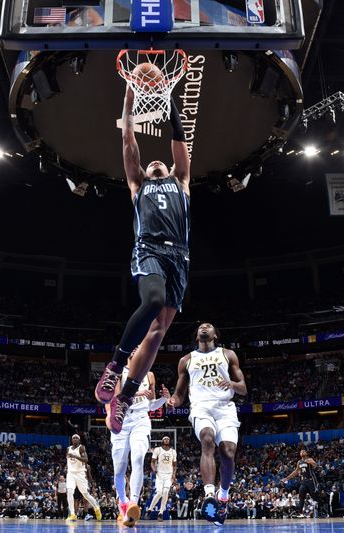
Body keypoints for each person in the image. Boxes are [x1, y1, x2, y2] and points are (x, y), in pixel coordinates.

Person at [94, 85, 191, 435]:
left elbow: (179, 138)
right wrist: (130, 100)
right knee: (153, 300)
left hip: (179, 258)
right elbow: (128, 141)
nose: (155, 162)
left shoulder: (181, 181)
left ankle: (125, 397)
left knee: (158, 333)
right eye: (151, 163)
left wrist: (170, 101)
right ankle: (115, 366)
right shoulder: (138, 184)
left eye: (159, 161)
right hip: (149, 248)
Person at [168, 323, 247, 525]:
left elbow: (243, 388)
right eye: (201, 326)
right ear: (197, 336)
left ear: (215, 334)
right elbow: (179, 394)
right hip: (201, 407)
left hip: (225, 408)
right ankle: (209, 494)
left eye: (209, 326)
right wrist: (172, 401)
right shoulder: (186, 360)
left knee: (228, 452)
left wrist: (231, 384)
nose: (204, 327)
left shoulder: (228, 355)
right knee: (207, 438)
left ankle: (224, 495)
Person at [107, 351, 170, 527]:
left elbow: (150, 405)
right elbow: (117, 398)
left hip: (141, 420)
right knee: (119, 469)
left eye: (140, 348)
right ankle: (123, 502)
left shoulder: (149, 374)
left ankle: (133, 503)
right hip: (122, 419)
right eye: (133, 347)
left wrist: (163, 399)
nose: (136, 350)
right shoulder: (119, 372)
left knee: (138, 458)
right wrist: (136, 392)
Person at [65, 434, 103, 521]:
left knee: (85, 495)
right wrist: (67, 467)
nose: (74, 439)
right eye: (73, 438)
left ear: (79, 440)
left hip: (80, 473)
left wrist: (75, 456)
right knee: (70, 492)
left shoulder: (82, 448)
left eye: (76, 438)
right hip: (71, 473)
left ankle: (97, 508)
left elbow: (86, 460)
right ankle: (72, 514)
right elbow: (68, 460)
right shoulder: (68, 448)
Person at [146, 436, 177, 520]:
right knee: (159, 493)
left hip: (168, 475)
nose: (167, 440)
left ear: (170, 441)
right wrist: (154, 469)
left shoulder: (173, 451)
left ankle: (161, 513)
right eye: (165, 439)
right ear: (162, 441)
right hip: (159, 475)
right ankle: (149, 510)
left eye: (168, 439)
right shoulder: (157, 450)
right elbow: (152, 462)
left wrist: (174, 475)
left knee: (166, 491)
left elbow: (174, 465)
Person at [282, 449, 320, 517]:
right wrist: (286, 478)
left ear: (306, 453)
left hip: (311, 480)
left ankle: (319, 510)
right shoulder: (299, 462)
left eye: (303, 451)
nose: (302, 452)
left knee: (315, 497)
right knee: (301, 496)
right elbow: (296, 472)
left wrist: (311, 462)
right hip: (304, 482)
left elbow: (316, 466)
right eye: (300, 451)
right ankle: (300, 513)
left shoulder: (309, 459)